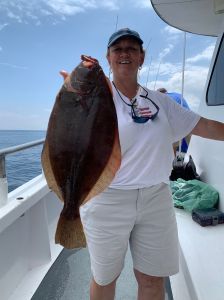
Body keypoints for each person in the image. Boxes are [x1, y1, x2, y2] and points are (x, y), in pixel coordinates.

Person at [61, 28, 224, 300]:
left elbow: (204, 125)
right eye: (118, 49)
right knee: (105, 278)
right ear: (109, 58)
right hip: (107, 198)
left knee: (152, 279)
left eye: (132, 49)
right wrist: (72, 94)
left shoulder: (161, 102)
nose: (125, 53)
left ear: (141, 58)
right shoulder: (91, 97)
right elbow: (68, 133)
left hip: (156, 199)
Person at [157, 87, 191, 153]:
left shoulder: (163, 98)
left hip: (178, 123)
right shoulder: (177, 95)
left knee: (173, 145)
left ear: (159, 94)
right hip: (189, 121)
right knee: (191, 146)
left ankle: (172, 161)